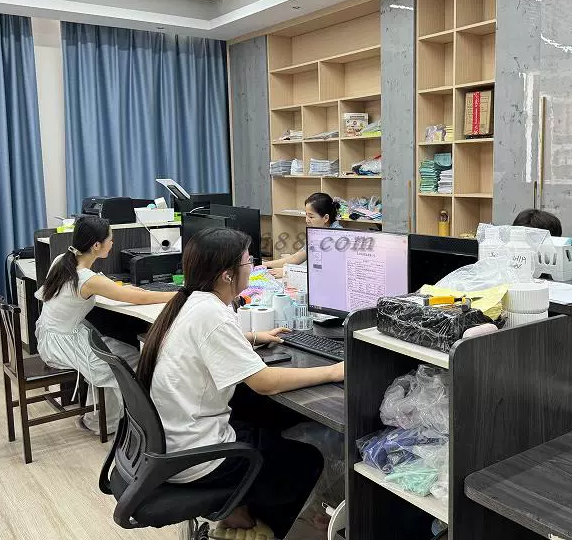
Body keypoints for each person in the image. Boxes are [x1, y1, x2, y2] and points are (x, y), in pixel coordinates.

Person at [137, 227, 343, 538]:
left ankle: (241, 509)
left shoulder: (191, 302)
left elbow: (202, 342)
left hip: (173, 444)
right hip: (197, 458)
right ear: (226, 275)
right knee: (304, 460)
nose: (253, 268)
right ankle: (253, 526)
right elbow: (265, 383)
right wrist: (333, 372)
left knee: (261, 417)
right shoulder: (212, 315)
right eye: (248, 262)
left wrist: (250, 337)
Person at [35, 215, 176, 434]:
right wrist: (177, 295)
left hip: (51, 337)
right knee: (123, 360)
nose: (112, 243)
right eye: (110, 239)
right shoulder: (88, 279)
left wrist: (127, 290)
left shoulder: (62, 260)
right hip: (62, 345)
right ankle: (111, 422)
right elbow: (136, 298)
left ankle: (105, 417)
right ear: (96, 245)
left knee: (112, 349)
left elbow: (115, 290)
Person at [263, 192, 342, 278]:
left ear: (326, 218)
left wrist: (288, 272)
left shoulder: (338, 236)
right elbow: (296, 258)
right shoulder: (317, 233)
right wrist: (264, 264)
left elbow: (326, 271)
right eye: (306, 215)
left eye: (311, 217)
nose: (307, 220)